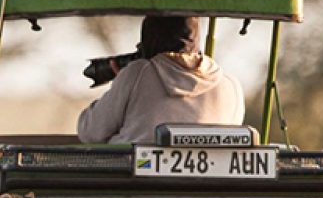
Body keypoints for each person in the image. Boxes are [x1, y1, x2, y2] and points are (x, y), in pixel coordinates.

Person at [77, 16, 246, 144]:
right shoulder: (230, 85)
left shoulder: (137, 73)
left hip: (135, 177)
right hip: (207, 180)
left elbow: (90, 132)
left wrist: (122, 81)